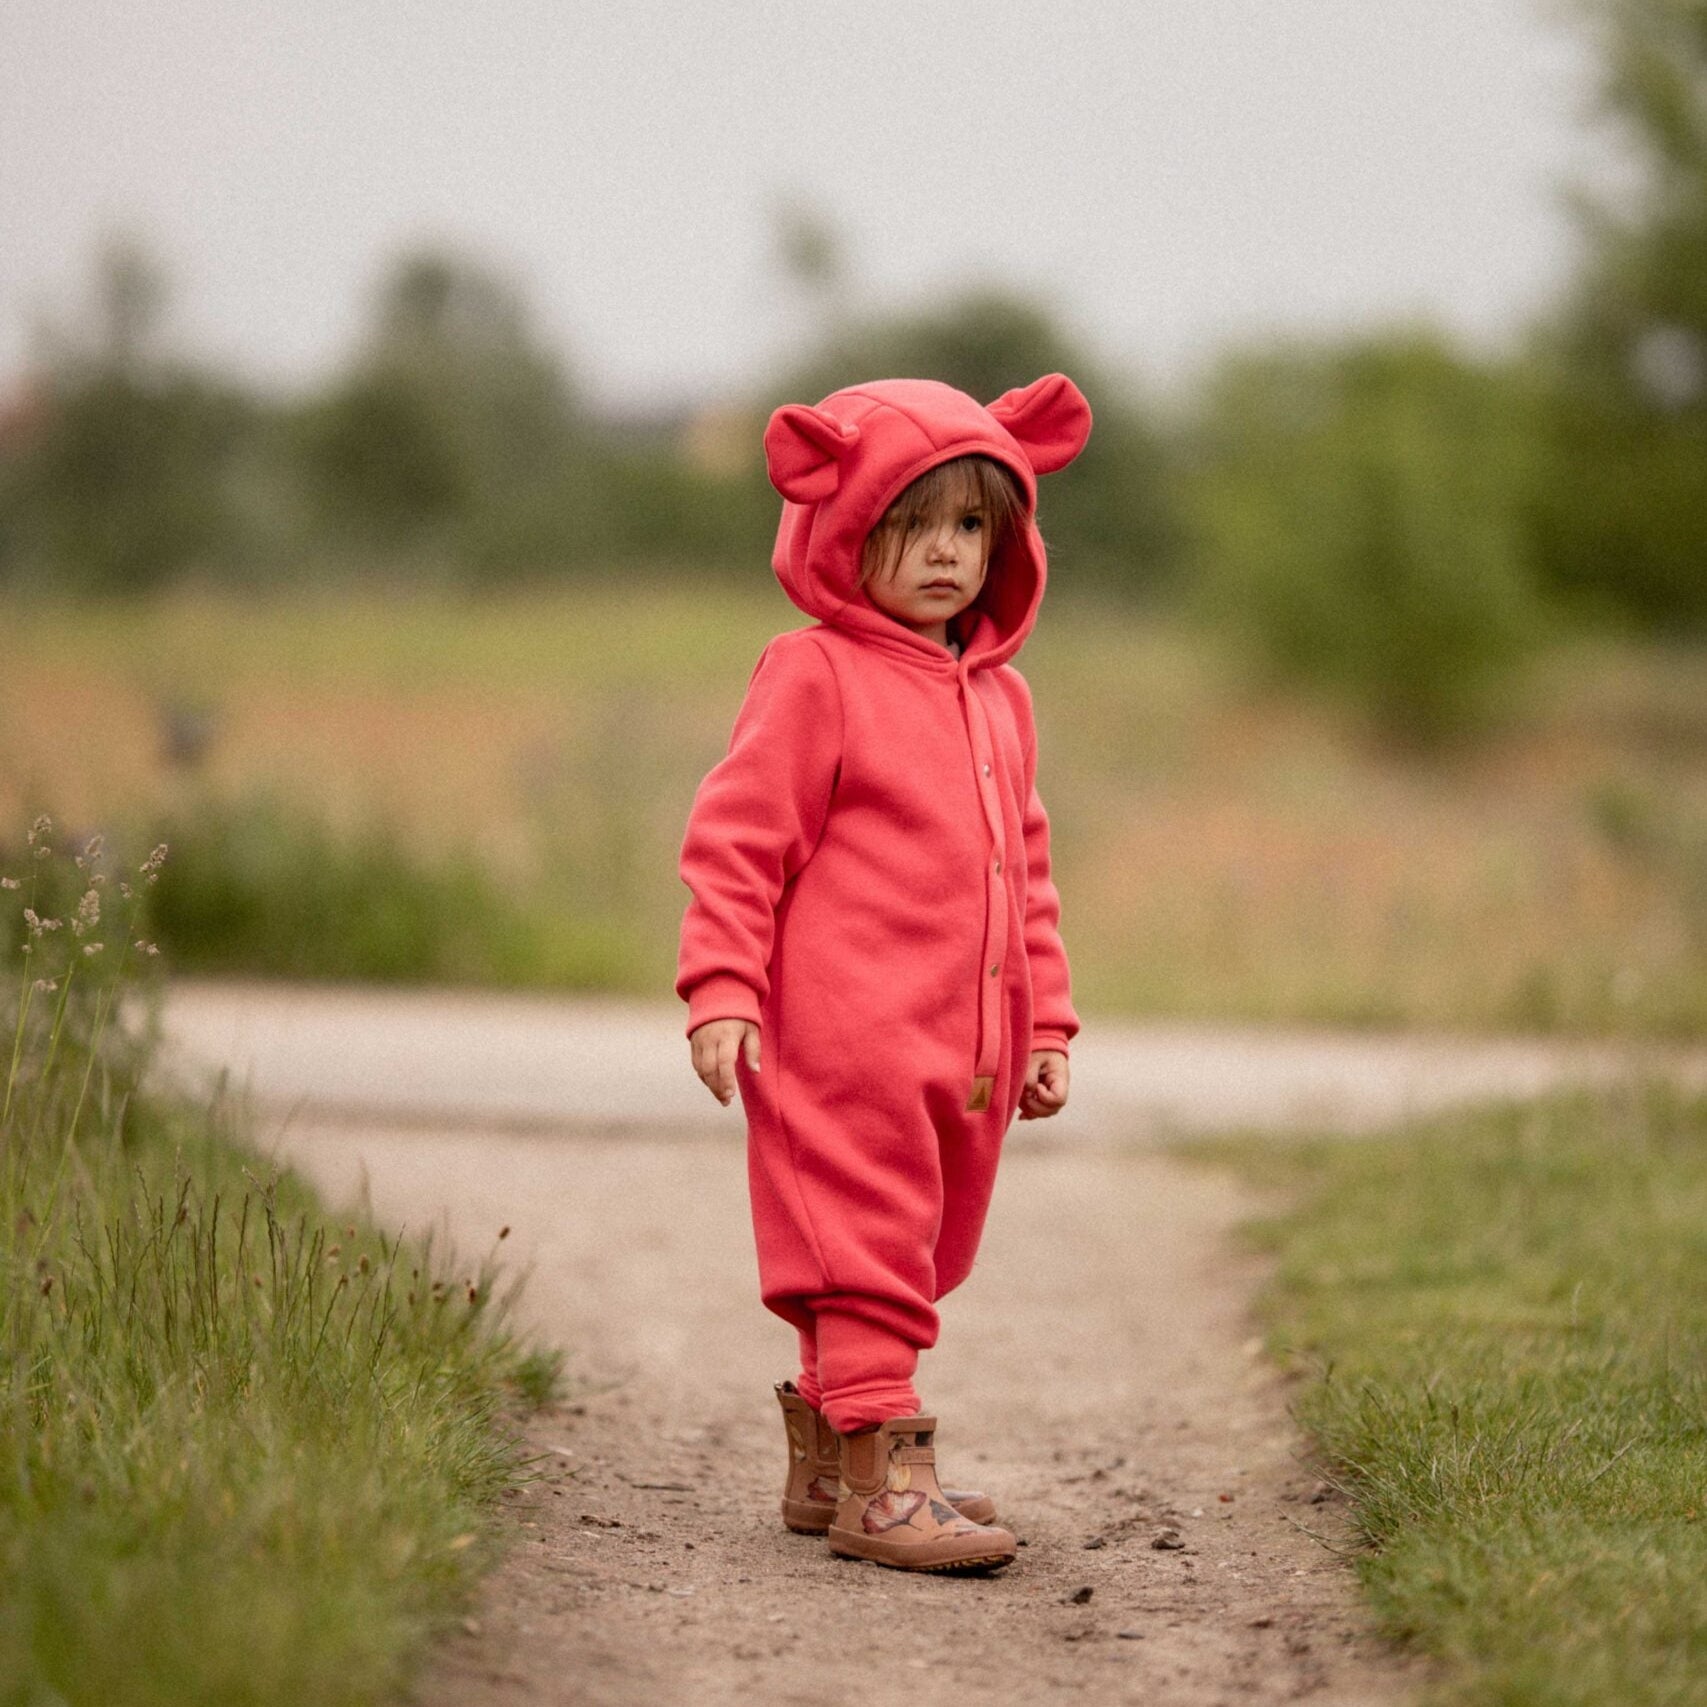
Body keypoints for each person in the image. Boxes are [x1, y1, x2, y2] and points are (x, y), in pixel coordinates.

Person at [677, 373, 1090, 1573]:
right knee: (864, 1246)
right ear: (843, 532)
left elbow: (1027, 869)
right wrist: (721, 989)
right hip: (839, 1039)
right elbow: (740, 841)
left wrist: (1046, 1023)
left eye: (971, 526)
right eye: (907, 527)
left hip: (957, 1053)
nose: (946, 554)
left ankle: (826, 1457)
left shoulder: (1001, 698)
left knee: (913, 1245)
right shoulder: (815, 675)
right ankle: (882, 1477)